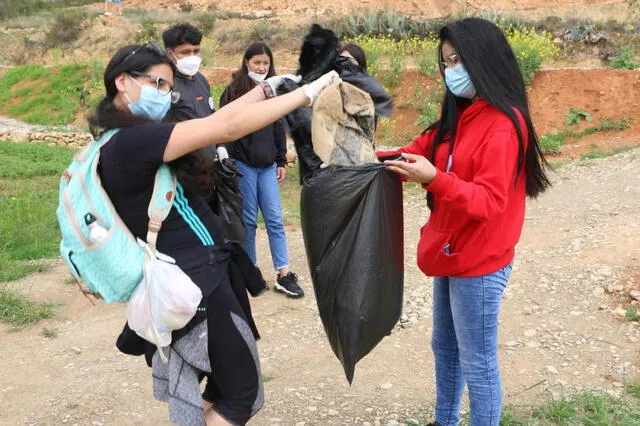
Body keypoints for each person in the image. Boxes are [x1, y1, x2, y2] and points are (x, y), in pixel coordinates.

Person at [90, 41, 337, 425]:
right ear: (122, 81)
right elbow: (223, 128)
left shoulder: (125, 139)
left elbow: (213, 122)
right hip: (195, 283)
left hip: (201, 274)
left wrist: (268, 89)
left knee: (225, 388)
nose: (164, 95)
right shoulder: (132, 143)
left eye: (167, 88)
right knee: (241, 395)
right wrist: (304, 96)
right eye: (157, 83)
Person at [382, 18, 551, 426]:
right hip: (451, 249)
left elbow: (490, 201)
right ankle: (445, 420)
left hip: (480, 260)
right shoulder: (460, 115)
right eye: (446, 62)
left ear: (484, 59)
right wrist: (375, 157)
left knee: (477, 360)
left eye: (458, 59)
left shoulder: (504, 125)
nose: (451, 70)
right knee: (445, 346)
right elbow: (417, 149)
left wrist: (435, 180)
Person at [219, 42, 304, 298]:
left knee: (275, 220)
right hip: (243, 166)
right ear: (246, 63)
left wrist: (280, 160)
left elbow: (278, 126)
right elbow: (225, 126)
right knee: (247, 222)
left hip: (267, 166)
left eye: (266, 63)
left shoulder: (274, 90)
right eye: (257, 62)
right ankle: (250, 271)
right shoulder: (234, 91)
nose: (261, 67)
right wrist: (227, 160)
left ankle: (283, 273)